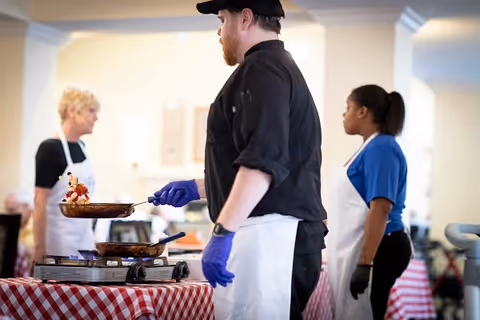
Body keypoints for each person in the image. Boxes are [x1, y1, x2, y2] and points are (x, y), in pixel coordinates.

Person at [151, 1, 327, 319]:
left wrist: (222, 232)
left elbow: (263, 163)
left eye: (221, 19)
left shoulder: (262, 69)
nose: (219, 31)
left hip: (272, 237)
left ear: (245, 18)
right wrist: (201, 187)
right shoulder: (276, 67)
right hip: (273, 233)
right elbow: (268, 161)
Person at [326, 84, 412, 320]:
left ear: (362, 111)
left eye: (348, 108)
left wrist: (365, 264)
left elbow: (381, 209)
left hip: (381, 248)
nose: (344, 115)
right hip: (370, 246)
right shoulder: (368, 147)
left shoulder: (382, 148)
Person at [32, 87, 100, 262]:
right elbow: (40, 202)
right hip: (59, 243)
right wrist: (39, 248)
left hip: (85, 239)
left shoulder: (81, 147)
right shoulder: (50, 149)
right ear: (72, 111)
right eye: (91, 111)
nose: (96, 117)